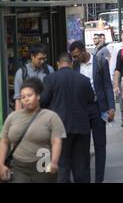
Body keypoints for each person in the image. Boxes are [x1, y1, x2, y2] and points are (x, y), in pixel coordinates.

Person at [40, 53, 95, 183]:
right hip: (81, 127)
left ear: (58, 64)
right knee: (81, 166)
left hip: (59, 129)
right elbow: (90, 99)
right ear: (71, 63)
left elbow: (43, 101)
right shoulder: (84, 80)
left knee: (62, 166)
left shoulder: (50, 79)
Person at [0, 78, 66, 183]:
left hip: (42, 164)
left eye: (29, 95)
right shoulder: (12, 117)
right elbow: (4, 141)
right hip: (18, 166)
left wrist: (54, 161)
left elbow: (56, 141)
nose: (26, 99)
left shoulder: (51, 117)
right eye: (22, 97)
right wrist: (1, 164)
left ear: (38, 96)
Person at [70, 41, 115, 183]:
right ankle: (86, 179)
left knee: (100, 145)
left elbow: (107, 85)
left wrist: (111, 107)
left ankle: (99, 179)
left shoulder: (100, 62)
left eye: (76, 55)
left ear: (83, 51)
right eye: (73, 56)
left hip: (98, 108)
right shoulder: (75, 66)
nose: (75, 59)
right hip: (82, 109)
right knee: (83, 147)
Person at [13, 43, 54, 111]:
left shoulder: (49, 70)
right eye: (40, 58)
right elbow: (18, 99)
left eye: (44, 59)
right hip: (27, 113)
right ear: (32, 56)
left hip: (45, 112)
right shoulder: (21, 73)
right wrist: (18, 118)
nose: (42, 61)